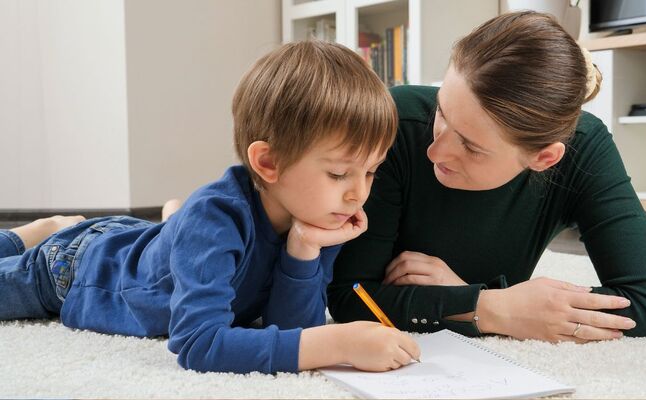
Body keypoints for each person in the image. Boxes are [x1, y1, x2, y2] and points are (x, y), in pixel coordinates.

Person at [0, 41, 420, 374]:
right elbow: (197, 343)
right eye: (339, 173)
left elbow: (290, 328)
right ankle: (34, 234)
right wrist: (339, 343)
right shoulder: (216, 217)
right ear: (268, 163)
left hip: (146, 242)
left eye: (371, 172)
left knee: (174, 238)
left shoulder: (319, 216)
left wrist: (304, 249)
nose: (358, 194)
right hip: (75, 267)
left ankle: (162, 221)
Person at [328, 11, 646, 343]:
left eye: (470, 146)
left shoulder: (584, 148)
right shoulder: (394, 125)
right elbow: (351, 297)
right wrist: (494, 308)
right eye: (442, 112)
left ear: (544, 159)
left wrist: (474, 297)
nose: (435, 151)